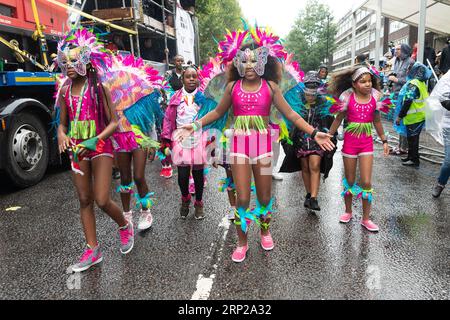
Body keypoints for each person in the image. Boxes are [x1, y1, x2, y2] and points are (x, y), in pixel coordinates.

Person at [176, 28, 334, 262]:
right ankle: (241, 242)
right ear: (237, 62)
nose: (249, 65)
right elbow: (218, 111)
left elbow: (290, 113)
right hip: (238, 144)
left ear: (264, 61)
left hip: (262, 143)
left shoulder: (271, 87)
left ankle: (265, 230)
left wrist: (314, 132)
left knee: (263, 195)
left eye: (254, 60)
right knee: (241, 198)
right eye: (244, 60)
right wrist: (195, 125)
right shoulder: (232, 87)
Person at [56, 28, 134, 273]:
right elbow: (62, 122)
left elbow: (114, 122)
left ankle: (124, 225)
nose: (69, 65)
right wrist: (61, 134)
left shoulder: (100, 87)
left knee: (101, 199)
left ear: (87, 61)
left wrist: (95, 140)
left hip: (100, 147)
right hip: (77, 151)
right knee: (84, 199)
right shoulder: (64, 90)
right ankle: (93, 249)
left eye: (75, 60)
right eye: (65, 61)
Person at [328, 66, 391, 232]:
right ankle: (348, 211)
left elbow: (377, 121)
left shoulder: (375, 98)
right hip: (350, 142)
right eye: (363, 81)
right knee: (349, 181)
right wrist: (328, 136)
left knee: (366, 182)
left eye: (369, 81)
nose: (368, 84)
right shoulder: (347, 98)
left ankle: (366, 218)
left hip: (366, 143)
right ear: (354, 84)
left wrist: (384, 140)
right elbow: (338, 119)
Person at [282, 71, 337, 211]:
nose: (310, 96)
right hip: (300, 139)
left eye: (313, 94)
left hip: (317, 139)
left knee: (315, 165)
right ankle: (308, 195)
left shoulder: (324, 102)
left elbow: (331, 120)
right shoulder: (297, 101)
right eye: (308, 93)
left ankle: (314, 198)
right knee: (305, 167)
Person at [161, 66, 208, 220]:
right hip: (180, 139)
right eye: (188, 76)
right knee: (182, 176)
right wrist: (166, 139)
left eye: (194, 76)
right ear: (182, 79)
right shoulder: (175, 98)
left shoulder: (204, 97)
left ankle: (199, 203)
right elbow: (168, 119)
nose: (192, 79)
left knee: (198, 174)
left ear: (198, 79)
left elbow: (211, 117)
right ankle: (185, 198)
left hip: (199, 139)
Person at [395, 62, 431, 167]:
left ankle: (414, 160)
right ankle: (410, 157)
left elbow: (408, 101)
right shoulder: (421, 83)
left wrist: (399, 116)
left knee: (413, 140)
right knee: (412, 139)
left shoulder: (413, 84)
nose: (407, 71)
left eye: (409, 69)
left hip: (414, 117)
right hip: (419, 116)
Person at [160, 55, 185, 178]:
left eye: (181, 60)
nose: (179, 62)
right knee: (167, 133)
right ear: (174, 62)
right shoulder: (169, 74)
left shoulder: (186, 73)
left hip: (183, 108)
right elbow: (162, 87)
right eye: (177, 60)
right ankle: (166, 165)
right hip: (170, 107)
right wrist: (172, 96)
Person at [390, 44, 415, 156]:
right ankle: (401, 146)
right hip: (396, 93)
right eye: (395, 49)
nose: (396, 50)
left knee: (403, 120)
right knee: (398, 121)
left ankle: (404, 148)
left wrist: (396, 79)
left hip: (405, 95)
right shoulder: (396, 61)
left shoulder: (410, 62)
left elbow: (411, 80)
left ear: (405, 50)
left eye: (398, 49)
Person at [429, 70, 450, 197]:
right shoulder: (448, 78)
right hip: (449, 126)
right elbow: (443, 98)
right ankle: (441, 183)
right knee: (449, 161)